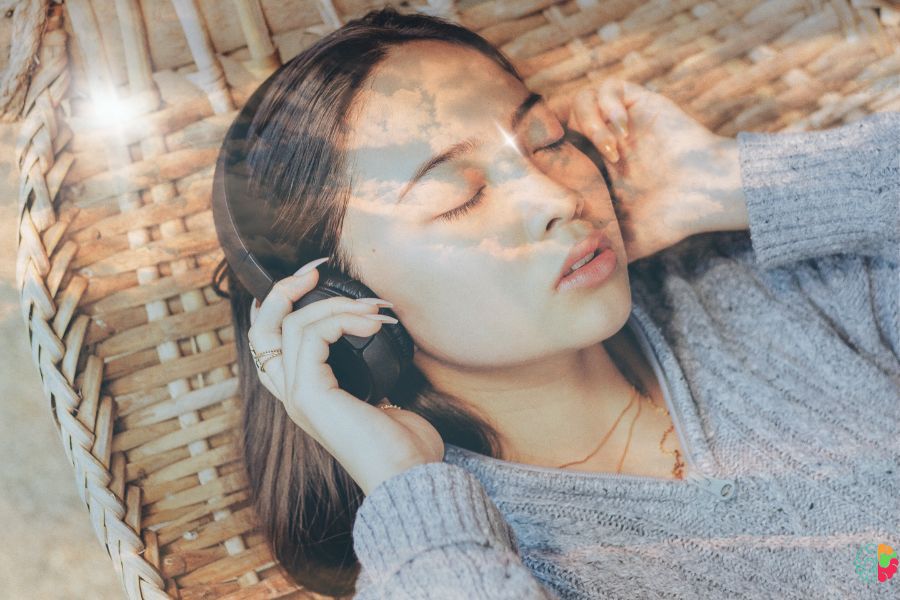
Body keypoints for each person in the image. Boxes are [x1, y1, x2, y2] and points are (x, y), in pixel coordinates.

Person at [213, 6, 899, 599]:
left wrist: (730, 182)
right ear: (340, 297)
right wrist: (404, 487)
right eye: (461, 195)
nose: (556, 196)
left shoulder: (771, 292)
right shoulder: (445, 554)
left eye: (547, 140)